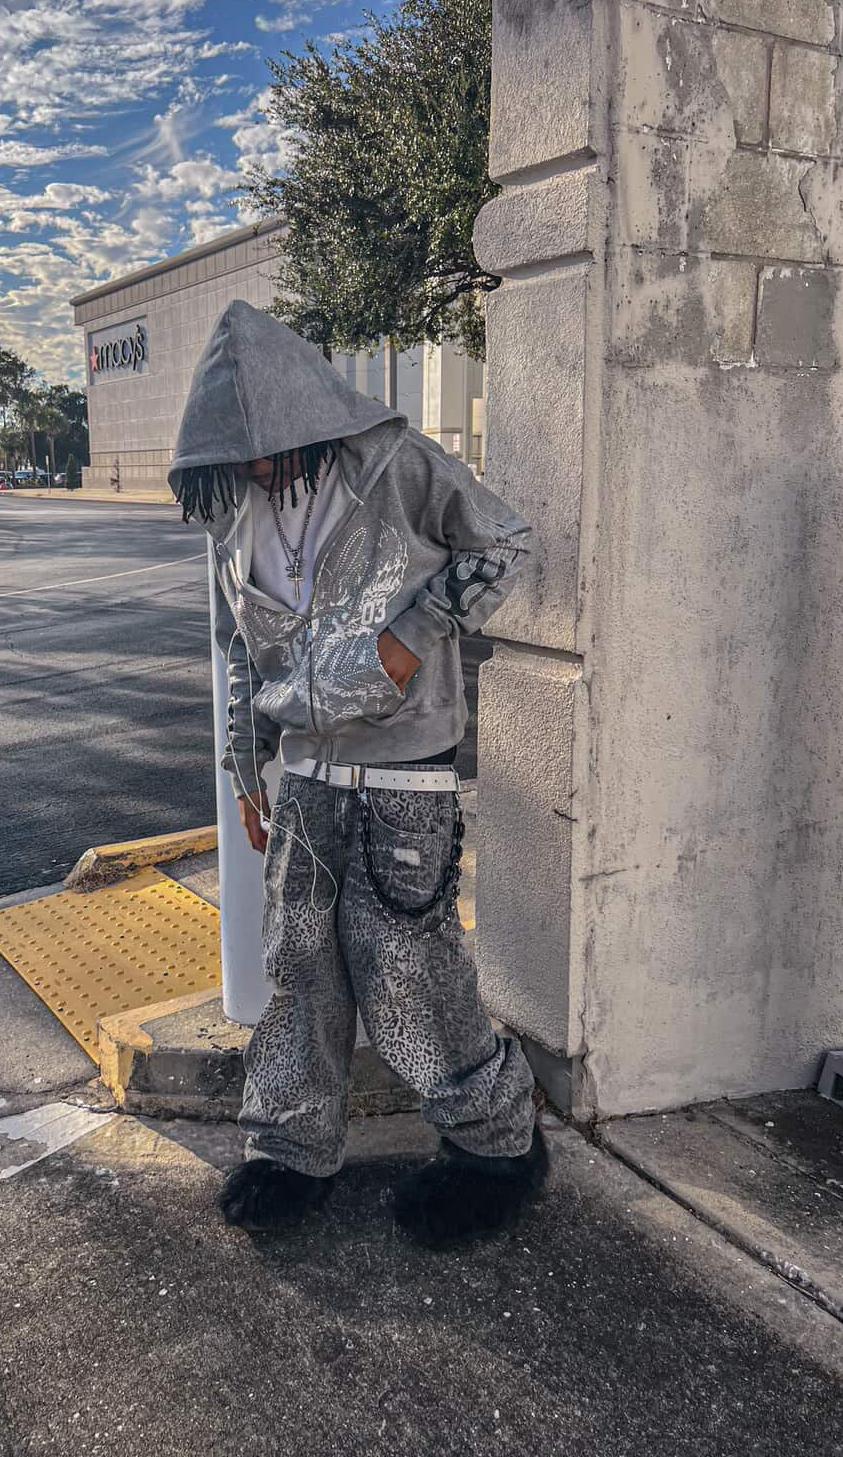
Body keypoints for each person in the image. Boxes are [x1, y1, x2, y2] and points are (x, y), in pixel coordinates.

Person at [168, 301, 546, 1248]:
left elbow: (500, 540)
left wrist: (412, 635)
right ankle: (291, 1152)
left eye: (271, 446)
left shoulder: (396, 467)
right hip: (302, 775)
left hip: (404, 768)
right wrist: (243, 759)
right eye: (238, 453)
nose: (258, 466)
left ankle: (496, 1146)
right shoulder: (231, 517)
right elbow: (239, 648)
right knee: (299, 963)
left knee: (409, 968)